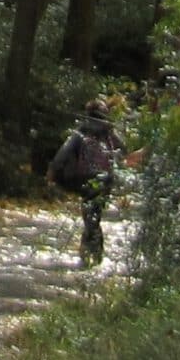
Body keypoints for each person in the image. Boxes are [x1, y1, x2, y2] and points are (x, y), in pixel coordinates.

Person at [48, 99, 121, 268]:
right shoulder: (110, 132)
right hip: (107, 180)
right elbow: (123, 151)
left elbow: (64, 152)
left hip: (87, 180)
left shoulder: (81, 132)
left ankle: (90, 252)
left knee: (89, 215)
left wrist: (52, 171)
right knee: (95, 215)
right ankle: (94, 253)